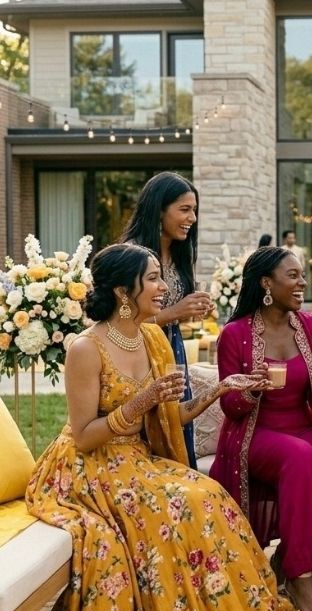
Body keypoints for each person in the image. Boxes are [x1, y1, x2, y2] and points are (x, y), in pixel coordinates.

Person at [25, 244, 303, 611]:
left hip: (136, 460)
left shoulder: (152, 337)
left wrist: (221, 388)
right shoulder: (86, 349)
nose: (164, 288)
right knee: (181, 505)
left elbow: (173, 417)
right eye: (153, 279)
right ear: (124, 291)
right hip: (86, 469)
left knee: (208, 495)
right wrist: (141, 402)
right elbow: (85, 436)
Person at [211, 247, 312, 611]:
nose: (303, 283)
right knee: (298, 458)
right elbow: (231, 407)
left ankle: (287, 558)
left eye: (302, 275)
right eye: (293, 276)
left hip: (304, 428)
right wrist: (254, 389)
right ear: (267, 283)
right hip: (254, 433)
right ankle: (301, 580)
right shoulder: (235, 335)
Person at [118, 171, 213, 464]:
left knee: (175, 427)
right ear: (159, 210)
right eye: (184, 209)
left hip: (172, 348)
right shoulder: (132, 255)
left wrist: (189, 312)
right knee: (149, 433)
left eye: (194, 210)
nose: (192, 218)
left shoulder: (180, 252)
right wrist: (176, 312)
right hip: (136, 355)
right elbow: (121, 322)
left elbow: (167, 313)